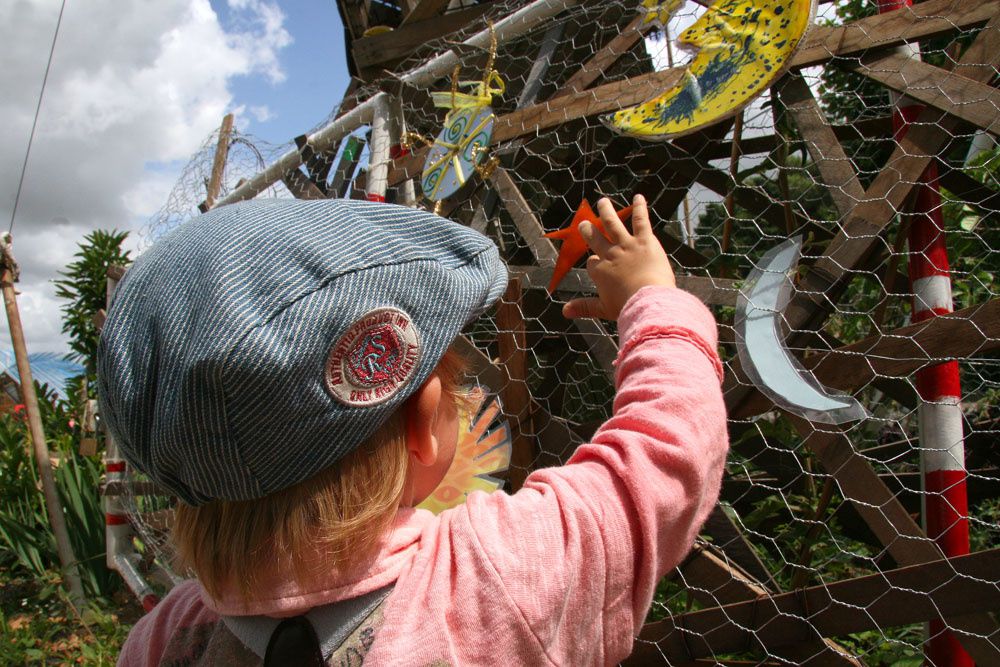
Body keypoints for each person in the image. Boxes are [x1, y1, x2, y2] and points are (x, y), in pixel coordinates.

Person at [101, 194, 727, 666]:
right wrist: (652, 297)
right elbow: (667, 454)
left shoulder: (164, 639)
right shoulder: (495, 576)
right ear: (423, 424)